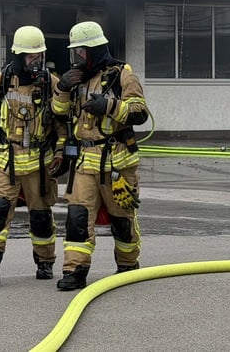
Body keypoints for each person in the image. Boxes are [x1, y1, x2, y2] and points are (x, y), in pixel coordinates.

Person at [0, 25, 66, 286]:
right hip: (6, 161)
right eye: (30, 56)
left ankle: (45, 261)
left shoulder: (52, 83)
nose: (36, 61)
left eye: (39, 56)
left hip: (40, 163)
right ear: (18, 56)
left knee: (41, 216)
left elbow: (62, 124)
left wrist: (61, 152)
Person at [51, 20, 150, 291]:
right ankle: (75, 271)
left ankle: (128, 267)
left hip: (117, 162)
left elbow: (140, 112)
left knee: (122, 219)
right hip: (85, 161)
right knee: (77, 217)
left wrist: (109, 105)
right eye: (75, 53)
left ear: (94, 50)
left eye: (80, 52)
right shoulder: (76, 77)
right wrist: (62, 89)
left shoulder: (122, 74)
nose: (77, 58)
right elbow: (59, 113)